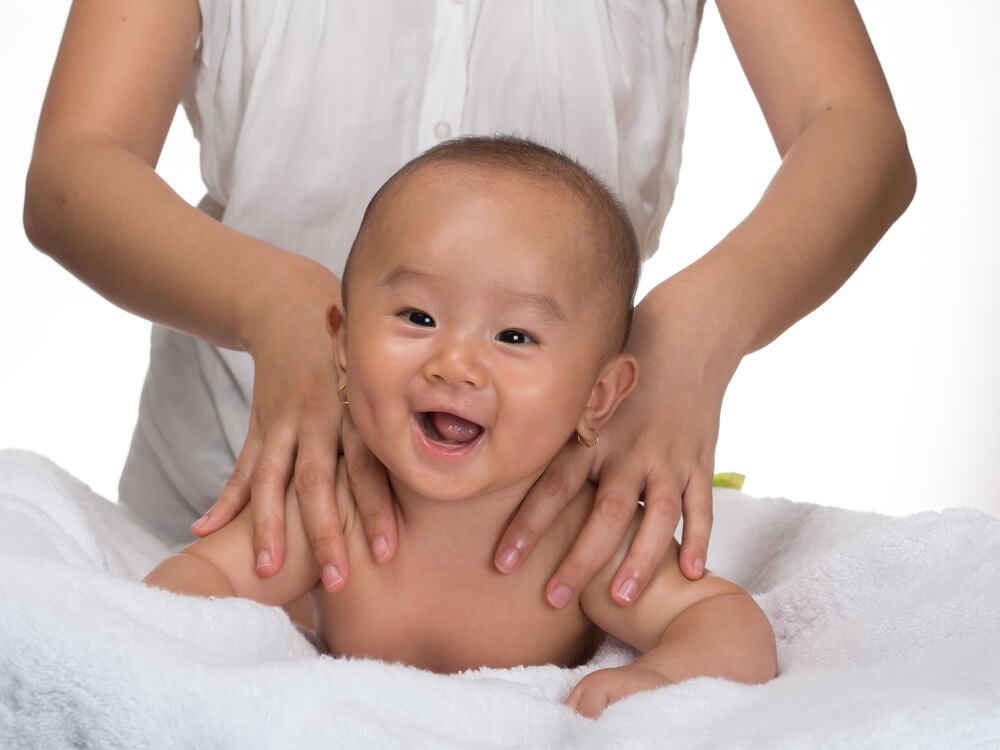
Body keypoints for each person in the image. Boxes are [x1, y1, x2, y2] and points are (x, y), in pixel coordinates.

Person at [24, 2, 915, 609]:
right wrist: (276, 302)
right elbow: (76, 165)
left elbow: (854, 128)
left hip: (546, 521)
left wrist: (698, 327)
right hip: (234, 488)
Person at [143, 136, 778, 717]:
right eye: (419, 317)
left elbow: (726, 622)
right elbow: (191, 583)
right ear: (342, 344)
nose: (456, 365)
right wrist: (210, 658)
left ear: (598, 396)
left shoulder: (583, 538)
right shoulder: (327, 512)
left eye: (514, 335)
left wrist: (664, 680)